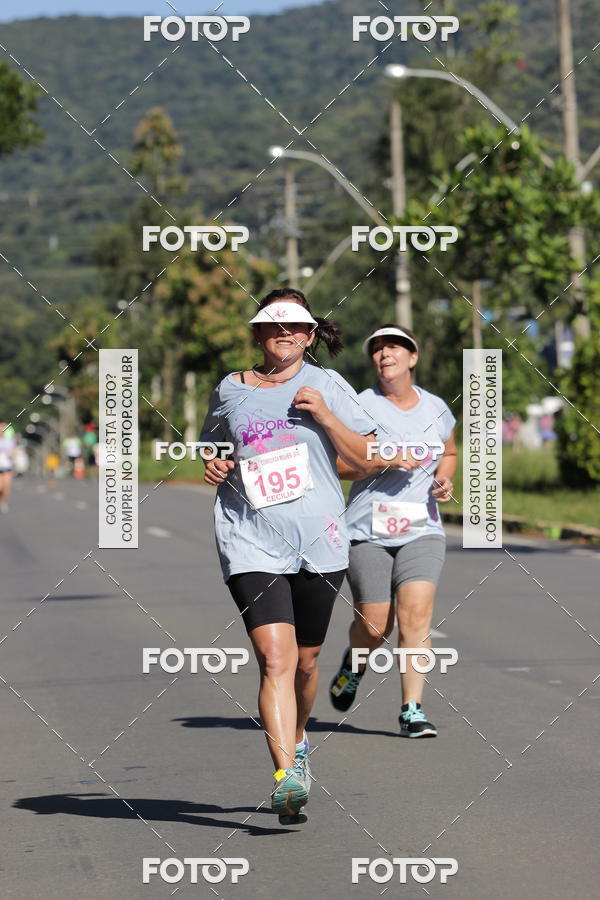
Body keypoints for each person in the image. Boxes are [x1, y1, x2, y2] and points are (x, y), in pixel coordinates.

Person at [200, 288, 383, 822]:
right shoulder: (231, 388)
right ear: (258, 334)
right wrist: (214, 463)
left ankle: (299, 740)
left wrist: (325, 416)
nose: (285, 336)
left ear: (309, 335)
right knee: (275, 659)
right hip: (250, 537)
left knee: (305, 661)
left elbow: (366, 457)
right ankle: (285, 775)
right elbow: (214, 444)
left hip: (320, 540)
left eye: (296, 329)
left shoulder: (327, 385)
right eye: (274, 328)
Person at [329, 325, 457, 738]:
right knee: (375, 625)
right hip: (367, 529)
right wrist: (383, 460)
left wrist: (444, 479)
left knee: (416, 615)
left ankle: (412, 710)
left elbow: (449, 451)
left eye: (395, 347)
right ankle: (355, 663)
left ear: (412, 357)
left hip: (423, 527)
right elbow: (339, 465)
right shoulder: (359, 407)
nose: (386, 353)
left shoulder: (436, 407)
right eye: (379, 349)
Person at [0, 422, 16, 512]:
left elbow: (14, 451)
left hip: (7, 466)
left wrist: (12, 453)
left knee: (6, 487)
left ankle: (4, 503)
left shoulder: (9, 441)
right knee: (0, 486)